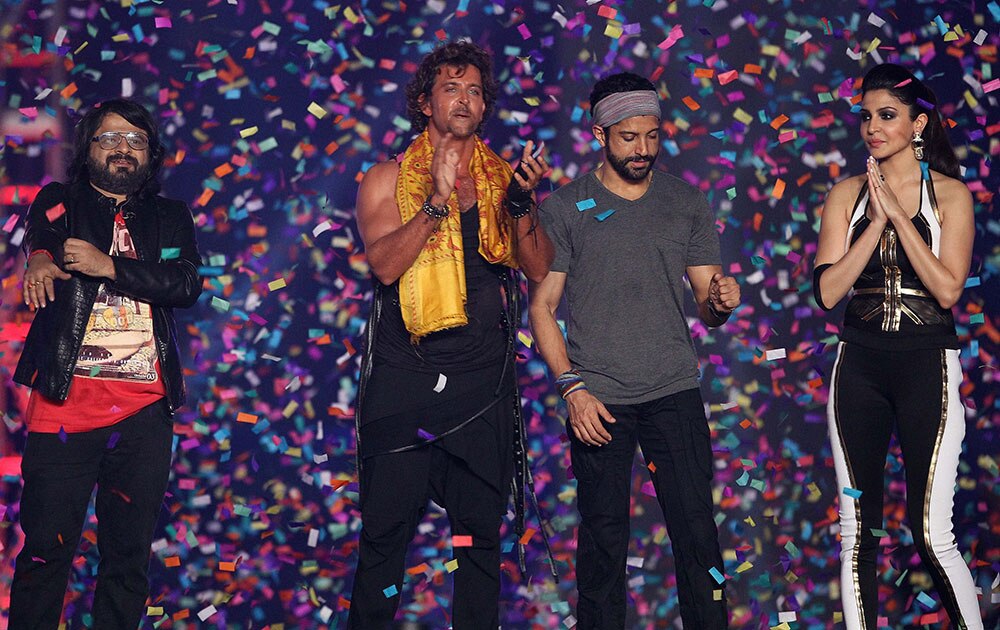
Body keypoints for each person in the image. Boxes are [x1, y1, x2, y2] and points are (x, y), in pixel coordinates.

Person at [348, 41, 554, 629]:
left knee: (477, 546)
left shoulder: (500, 178)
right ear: (424, 101)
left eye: (474, 91)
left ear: (484, 106)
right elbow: (385, 266)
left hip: (480, 387)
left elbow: (537, 267)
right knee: (385, 540)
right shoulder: (386, 177)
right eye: (450, 88)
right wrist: (437, 203)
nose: (464, 99)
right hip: (404, 382)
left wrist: (518, 202)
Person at [529, 72, 738, 629]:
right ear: (600, 135)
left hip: (674, 389)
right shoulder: (565, 208)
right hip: (598, 399)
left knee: (698, 535)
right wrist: (572, 389)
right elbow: (542, 307)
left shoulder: (686, 202)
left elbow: (707, 305)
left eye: (652, 135)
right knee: (602, 542)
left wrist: (721, 301)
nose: (643, 149)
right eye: (629, 137)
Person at [10, 98, 202, 628]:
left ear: (150, 153)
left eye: (136, 140)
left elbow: (184, 284)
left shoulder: (169, 217)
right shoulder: (61, 200)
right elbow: (45, 237)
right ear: (88, 148)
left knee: (127, 562)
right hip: (65, 406)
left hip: (143, 415)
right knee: (44, 557)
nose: (123, 148)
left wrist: (107, 265)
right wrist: (43, 260)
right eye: (110, 138)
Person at [813, 63, 983, 629]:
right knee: (857, 532)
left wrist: (898, 218)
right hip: (857, 367)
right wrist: (872, 220)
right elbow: (828, 291)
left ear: (918, 124)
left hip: (927, 368)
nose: (872, 127)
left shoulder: (953, 195)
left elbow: (947, 288)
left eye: (886, 115)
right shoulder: (843, 194)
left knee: (932, 532)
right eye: (865, 116)